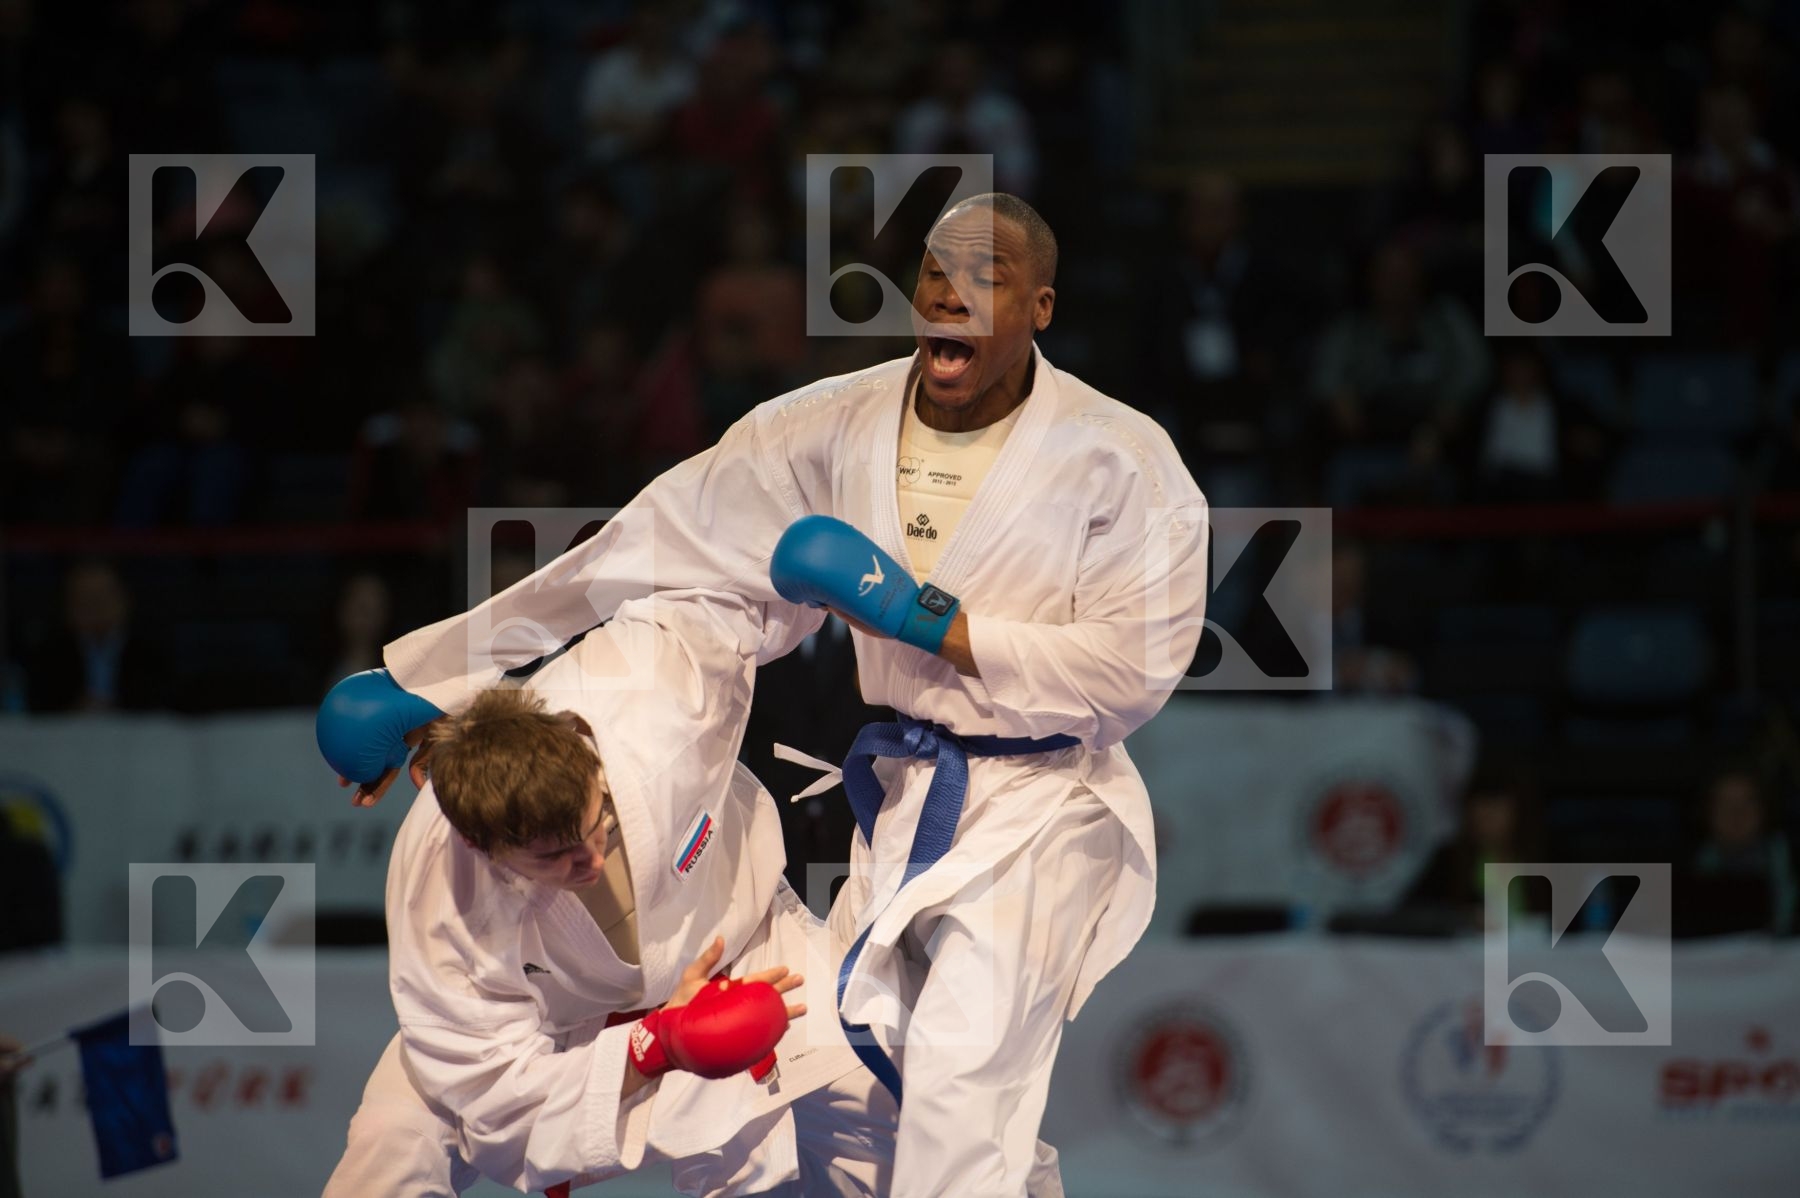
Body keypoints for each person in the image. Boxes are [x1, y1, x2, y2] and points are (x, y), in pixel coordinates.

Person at [362, 192, 1207, 1197]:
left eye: (986, 281)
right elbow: (652, 540)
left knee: (959, 1082)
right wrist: (435, 674)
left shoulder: (1125, 461)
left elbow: (1134, 672)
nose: (951, 298)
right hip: (902, 795)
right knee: (889, 1083)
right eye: (936, 274)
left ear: (1042, 307)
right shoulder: (831, 425)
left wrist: (931, 621)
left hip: (1045, 800)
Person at [318, 590, 901, 1197]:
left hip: (733, 940)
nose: (590, 860)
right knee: (389, 1149)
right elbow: (498, 1099)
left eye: (596, 825)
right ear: (483, 847)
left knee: (887, 1107)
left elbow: (735, 558)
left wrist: (435, 663)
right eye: (553, 857)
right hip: (549, 1009)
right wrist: (656, 1045)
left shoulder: (658, 688)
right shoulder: (440, 894)